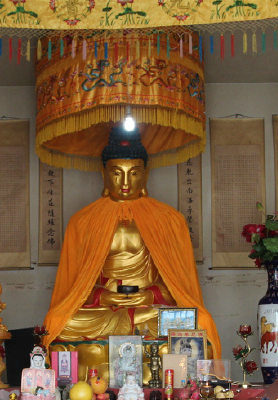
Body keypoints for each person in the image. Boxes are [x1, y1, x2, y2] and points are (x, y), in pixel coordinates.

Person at [43, 125, 221, 356]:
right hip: (106, 307)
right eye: (117, 173)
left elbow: (178, 286)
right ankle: (134, 326)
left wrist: (150, 295)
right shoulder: (83, 221)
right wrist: (103, 295)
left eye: (134, 172)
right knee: (58, 322)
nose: (125, 182)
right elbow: (74, 288)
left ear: (146, 174)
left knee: (197, 321)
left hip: (150, 306)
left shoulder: (168, 219)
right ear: (103, 173)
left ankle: (132, 326)